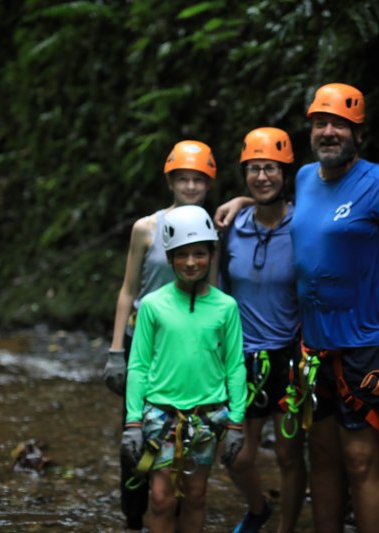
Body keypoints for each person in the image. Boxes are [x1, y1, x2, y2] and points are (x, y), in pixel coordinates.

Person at [215, 83, 379, 533]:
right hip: (312, 347)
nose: (329, 131)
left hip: (367, 342)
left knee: (360, 456)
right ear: (311, 129)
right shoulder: (308, 178)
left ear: (357, 132)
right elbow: (278, 204)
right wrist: (244, 200)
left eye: (339, 125)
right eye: (320, 123)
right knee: (324, 455)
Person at [103, 139, 217, 532]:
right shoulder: (145, 228)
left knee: (192, 426)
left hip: (189, 347)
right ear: (170, 181)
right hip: (144, 345)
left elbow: (214, 292)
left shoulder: (211, 229)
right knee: (137, 432)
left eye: (197, 180)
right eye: (182, 179)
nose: (189, 187)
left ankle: (178, 509)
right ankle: (135, 514)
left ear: (208, 183)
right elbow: (128, 290)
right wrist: (116, 350)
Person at [120, 205, 247, 533]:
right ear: (170, 257)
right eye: (182, 255)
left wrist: (236, 421)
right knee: (161, 498)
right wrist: (133, 421)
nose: (191, 262)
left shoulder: (225, 307)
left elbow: (234, 365)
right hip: (161, 415)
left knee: (195, 495)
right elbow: (138, 365)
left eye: (199, 254)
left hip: (207, 416)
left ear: (211, 254)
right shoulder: (152, 305)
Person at [221, 127, 306, 533]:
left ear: (285, 173)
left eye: (270, 168)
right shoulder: (231, 225)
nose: (262, 177)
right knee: (236, 455)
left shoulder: (302, 225)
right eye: (254, 169)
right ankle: (258, 509)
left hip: (290, 355)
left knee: (289, 456)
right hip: (243, 357)